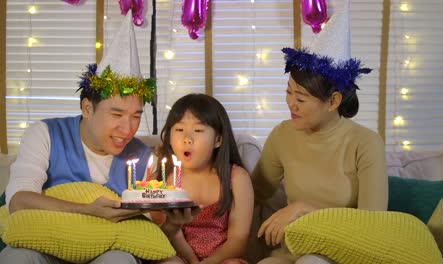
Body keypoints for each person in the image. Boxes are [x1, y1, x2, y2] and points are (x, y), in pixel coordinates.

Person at [0, 12, 199, 264]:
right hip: (47, 246)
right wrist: (87, 211)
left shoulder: (142, 157)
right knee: (14, 257)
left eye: (136, 115)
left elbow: (148, 231)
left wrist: (171, 224)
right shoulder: (45, 134)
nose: (128, 129)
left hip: (107, 250)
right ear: (87, 108)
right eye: (116, 114)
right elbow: (18, 201)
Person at [251, 47, 388, 264]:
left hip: (345, 252)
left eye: (301, 99)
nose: (291, 103)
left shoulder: (366, 143)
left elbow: (373, 222)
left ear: (333, 102)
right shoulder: (282, 135)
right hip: (294, 249)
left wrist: (302, 209)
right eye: (288, 92)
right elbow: (254, 192)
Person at [152, 93, 254, 264]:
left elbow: (238, 240)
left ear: (218, 140)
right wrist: (193, 261)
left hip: (222, 259)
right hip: (179, 257)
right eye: (179, 129)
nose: (187, 139)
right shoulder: (160, 181)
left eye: (198, 130)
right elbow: (168, 235)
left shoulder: (236, 178)